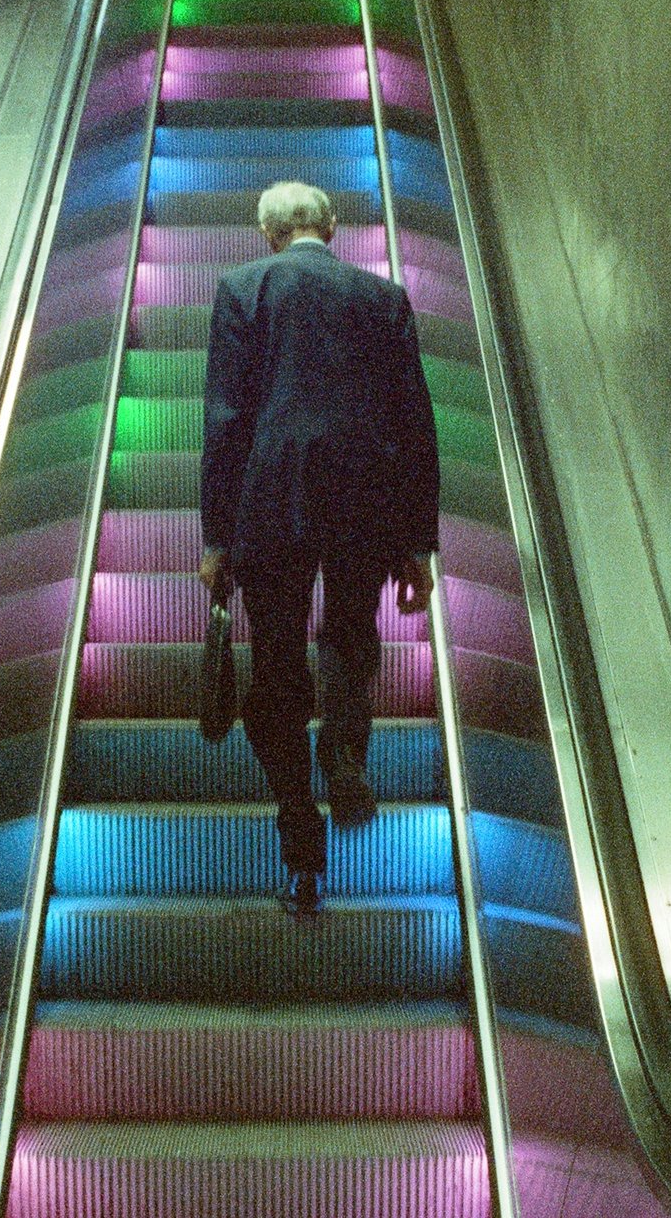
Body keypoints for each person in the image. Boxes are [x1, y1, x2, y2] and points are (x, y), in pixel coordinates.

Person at [198, 180, 439, 916]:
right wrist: (417, 543)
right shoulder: (383, 297)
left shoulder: (242, 289)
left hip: (272, 497)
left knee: (276, 664)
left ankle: (301, 844)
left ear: (268, 234)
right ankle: (345, 746)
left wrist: (216, 537)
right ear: (331, 230)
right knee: (349, 632)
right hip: (366, 493)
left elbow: (225, 419)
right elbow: (414, 420)